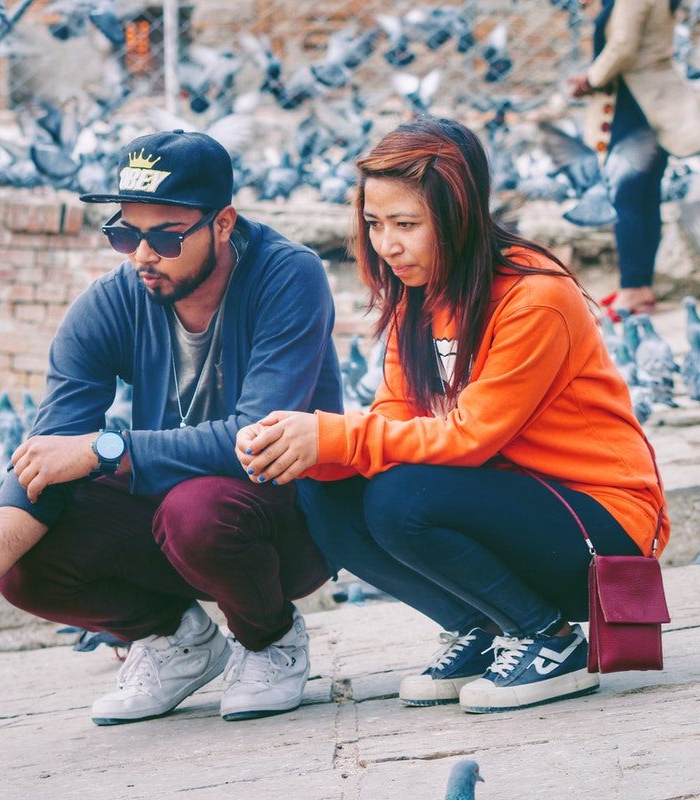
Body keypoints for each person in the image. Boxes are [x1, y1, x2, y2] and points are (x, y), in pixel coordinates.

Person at [235, 117, 670, 714]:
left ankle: (547, 639)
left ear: (459, 214)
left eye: (406, 225)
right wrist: (304, 447)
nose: (387, 245)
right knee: (321, 489)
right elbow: (393, 420)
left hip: (603, 530)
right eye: (374, 224)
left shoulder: (534, 295)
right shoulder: (418, 295)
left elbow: (470, 438)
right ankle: (485, 626)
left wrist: (333, 433)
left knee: (402, 498)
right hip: (517, 507)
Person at [0, 130, 342, 725]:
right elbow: (45, 455)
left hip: (290, 519)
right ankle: (179, 643)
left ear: (222, 224)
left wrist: (106, 450)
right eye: (125, 234)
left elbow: (256, 439)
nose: (141, 254)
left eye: (165, 236)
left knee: (196, 510)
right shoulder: (111, 302)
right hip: (177, 519)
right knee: (24, 560)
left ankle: (269, 639)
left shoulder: (288, 277)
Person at [570, 0, 700, 315]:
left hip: (638, 105)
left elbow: (624, 47)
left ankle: (632, 289)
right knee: (644, 198)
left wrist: (590, 80)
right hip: (647, 103)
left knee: (625, 198)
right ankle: (640, 288)